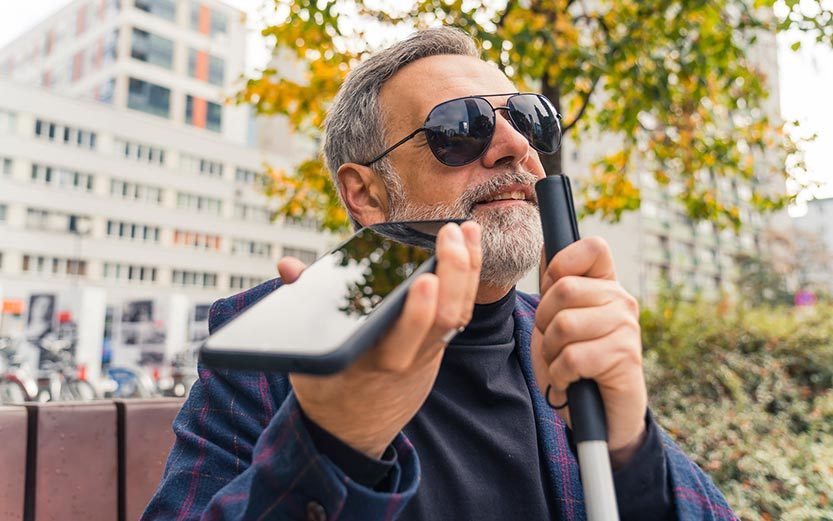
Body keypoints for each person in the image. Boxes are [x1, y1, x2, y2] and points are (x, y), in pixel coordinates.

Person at [143, 28, 735, 520]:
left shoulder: (566, 334)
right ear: (366, 193)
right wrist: (332, 443)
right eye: (459, 129)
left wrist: (631, 446)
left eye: (529, 119)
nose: (515, 148)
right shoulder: (274, 346)